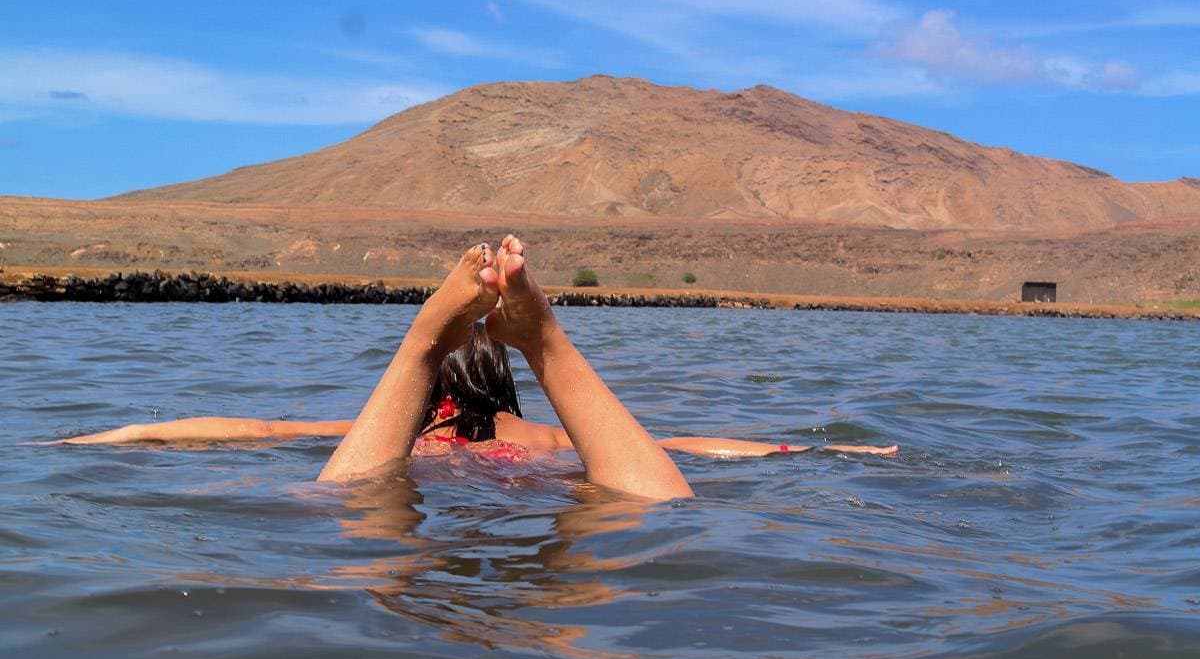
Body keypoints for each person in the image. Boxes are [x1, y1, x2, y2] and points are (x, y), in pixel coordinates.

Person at [44, 236, 897, 499]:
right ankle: (546, 340)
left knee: (345, 500)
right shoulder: (538, 438)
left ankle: (420, 340)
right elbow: (701, 445)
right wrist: (813, 453)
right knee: (646, 493)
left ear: (439, 394)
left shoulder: (411, 437)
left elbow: (249, 430)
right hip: (550, 492)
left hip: (390, 486)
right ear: (506, 387)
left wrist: (116, 434)